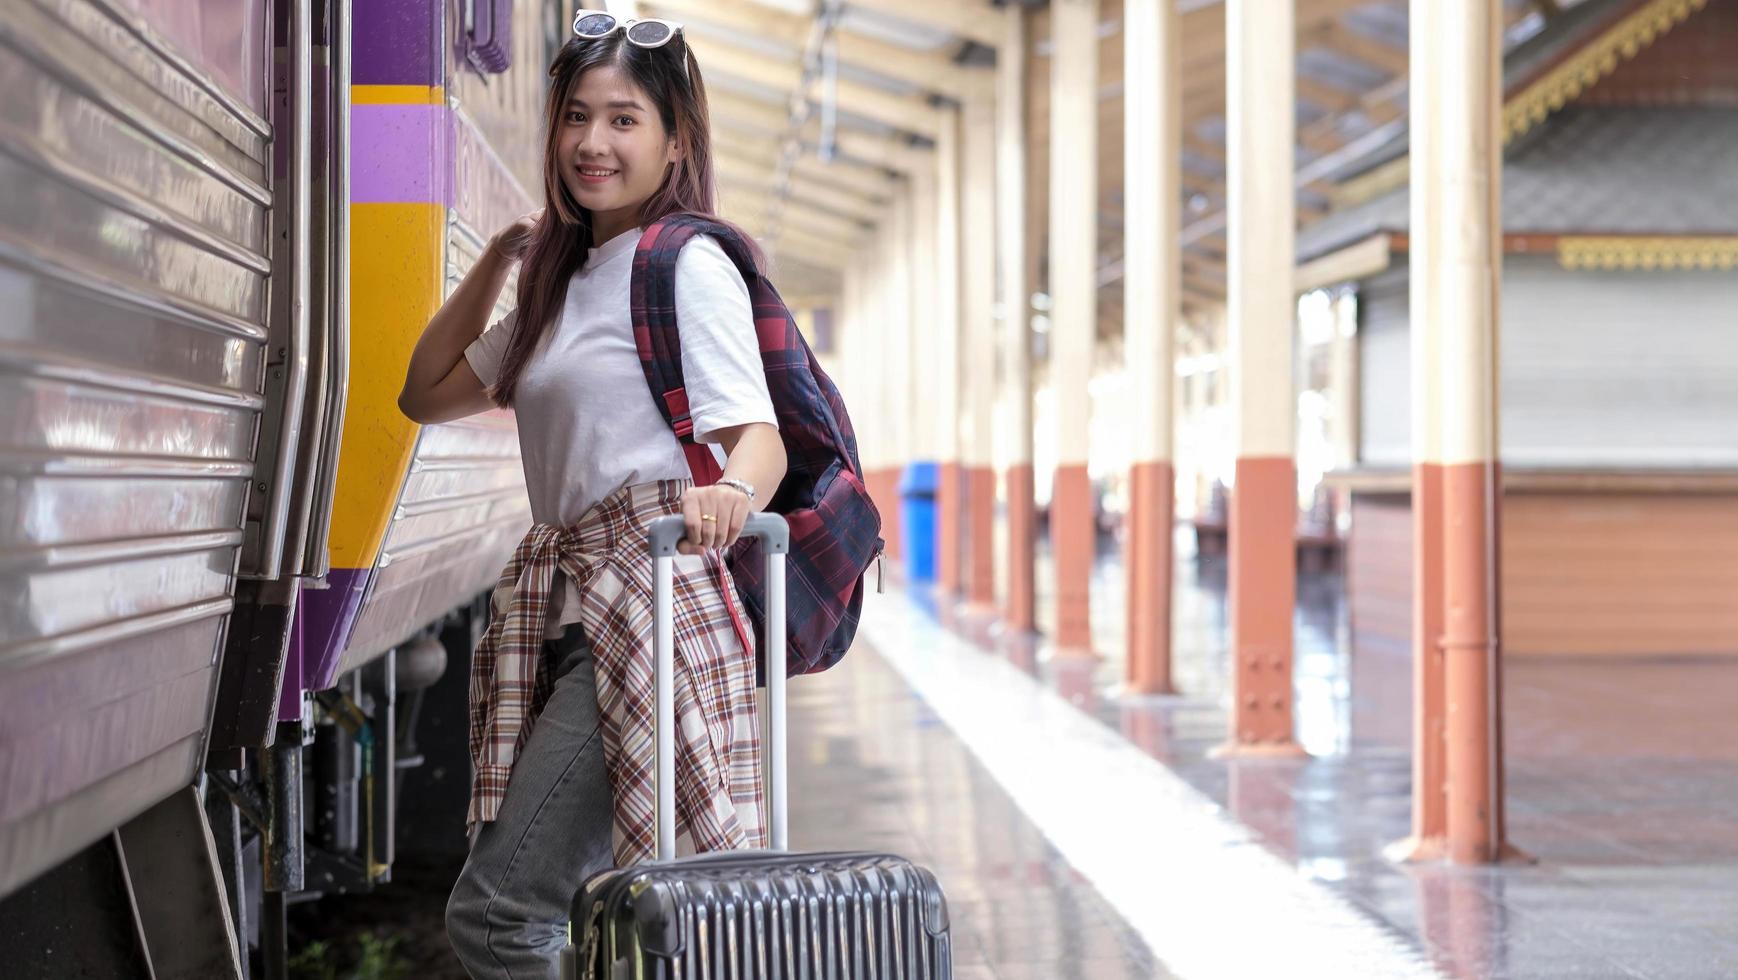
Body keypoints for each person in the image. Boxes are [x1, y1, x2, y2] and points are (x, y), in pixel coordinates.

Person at [396, 12, 784, 977]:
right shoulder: (559, 285)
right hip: (571, 611)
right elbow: (426, 392)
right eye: (576, 117)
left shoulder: (684, 264)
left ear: (674, 141)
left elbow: (760, 438)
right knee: (602, 915)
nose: (592, 143)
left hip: (647, 609)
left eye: (623, 120)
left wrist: (729, 492)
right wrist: (498, 261)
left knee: (500, 914)